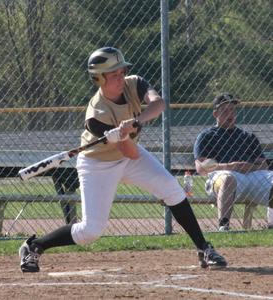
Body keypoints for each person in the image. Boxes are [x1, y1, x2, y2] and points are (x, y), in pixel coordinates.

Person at [19, 47, 227, 272]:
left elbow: (158, 104)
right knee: (91, 231)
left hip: (128, 155)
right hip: (98, 165)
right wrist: (121, 135)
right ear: (99, 78)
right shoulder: (96, 115)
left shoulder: (133, 83)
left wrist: (136, 121)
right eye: (114, 74)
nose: (121, 77)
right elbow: (131, 152)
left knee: (171, 189)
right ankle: (34, 246)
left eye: (121, 71)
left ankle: (204, 248)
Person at [194, 93, 273, 231]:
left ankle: (271, 224)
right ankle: (224, 227)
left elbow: (264, 165)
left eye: (232, 110)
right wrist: (230, 166)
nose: (230, 114)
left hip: (252, 176)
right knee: (228, 178)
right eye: (225, 111)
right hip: (223, 176)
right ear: (215, 114)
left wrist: (249, 166)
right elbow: (201, 169)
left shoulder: (247, 136)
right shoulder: (206, 136)